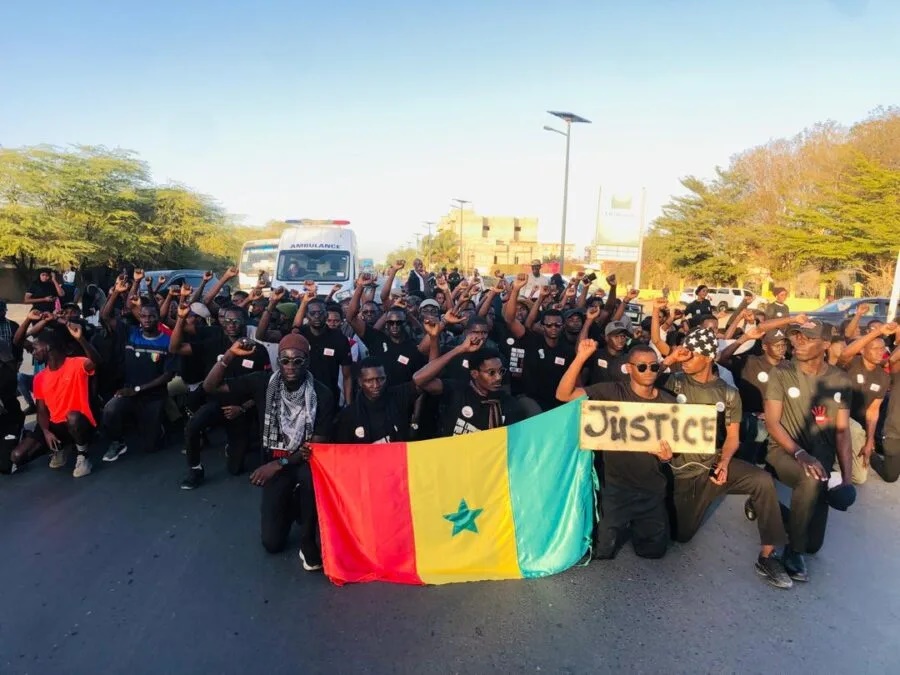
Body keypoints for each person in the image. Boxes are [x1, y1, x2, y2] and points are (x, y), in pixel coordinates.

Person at [662, 328, 793, 589]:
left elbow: (733, 437)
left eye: (691, 355)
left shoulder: (728, 393)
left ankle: (768, 555)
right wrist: (669, 360)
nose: (685, 359)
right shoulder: (673, 381)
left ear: (708, 357)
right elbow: (641, 383)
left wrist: (724, 461)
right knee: (681, 536)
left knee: (762, 480)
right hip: (679, 470)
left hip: (712, 466)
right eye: (683, 355)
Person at [202, 334, 334, 571]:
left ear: (308, 362)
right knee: (272, 543)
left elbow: (313, 447)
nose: (291, 366)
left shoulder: (322, 394)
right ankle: (291, 506)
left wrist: (278, 464)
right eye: (285, 360)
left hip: (305, 462)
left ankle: (307, 537)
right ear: (278, 362)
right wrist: (229, 355)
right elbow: (209, 387)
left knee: (308, 481)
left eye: (298, 361)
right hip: (275, 459)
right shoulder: (262, 383)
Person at [556, 341, 674, 560]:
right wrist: (581, 357)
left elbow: (676, 449)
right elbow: (564, 395)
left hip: (652, 490)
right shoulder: (611, 391)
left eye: (654, 366)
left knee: (654, 552)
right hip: (615, 490)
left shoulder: (669, 402)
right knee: (601, 552)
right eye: (642, 367)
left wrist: (668, 458)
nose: (649, 372)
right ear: (629, 368)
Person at [764, 320, 854, 582]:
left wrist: (847, 479)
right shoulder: (781, 372)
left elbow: (842, 431)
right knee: (810, 479)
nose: (799, 342)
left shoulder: (839, 379)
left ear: (826, 344)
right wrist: (800, 453)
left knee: (814, 544)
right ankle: (792, 551)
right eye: (797, 337)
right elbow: (772, 422)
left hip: (821, 461)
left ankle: (767, 506)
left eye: (808, 338)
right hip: (784, 451)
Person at [170, 303, 271, 489]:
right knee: (193, 427)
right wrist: (181, 318)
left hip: (242, 408)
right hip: (216, 402)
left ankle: (241, 445)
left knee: (235, 468)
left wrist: (242, 408)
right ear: (222, 322)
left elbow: (265, 387)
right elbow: (175, 348)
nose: (231, 324)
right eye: (227, 320)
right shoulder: (213, 343)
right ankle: (195, 470)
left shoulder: (258, 351)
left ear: (244, 322)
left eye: (236, 320)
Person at [9, 323, 101, 477]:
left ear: (48, 347)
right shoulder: (39, 378)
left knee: (73, 417)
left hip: (78, 422)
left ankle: (83, 456)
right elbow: (41, 410)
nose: (33, 353)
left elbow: (97, 362)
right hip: (55, 426)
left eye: (36, 348)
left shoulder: (76, 363)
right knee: (16, 456)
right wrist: (45, 432)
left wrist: (81, 339)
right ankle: (60, 447)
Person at [100, 288, 178, 461]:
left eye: (151, 316)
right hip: (129, 392)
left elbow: (168, 375)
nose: (147, 320)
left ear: (158, 318)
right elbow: (106, 317)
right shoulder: (131, 333)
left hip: (154, 395)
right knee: (110, 410)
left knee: (151, 447)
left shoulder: (168, 342)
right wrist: (115, 293)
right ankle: (117, 442)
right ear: (139, 318)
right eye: (143, 316)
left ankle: (160, 426)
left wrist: (139, 389)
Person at [413, 332, 525, 436]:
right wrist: (459, 349)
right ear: (474, 374)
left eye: (501, 371)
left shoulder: (508, 403)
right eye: (491, 373)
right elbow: (419, 379)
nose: (498, 377)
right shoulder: (456, 390)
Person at [504, 276, 576, 414]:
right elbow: (510, 319)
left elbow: (575, 382)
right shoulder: (532, 340)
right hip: (530, 400)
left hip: (558, 403)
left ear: (563, 326)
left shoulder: (568, 350)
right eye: (549, 325)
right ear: (542, 326)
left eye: (557, 325)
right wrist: (516, 290)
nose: (553, 328)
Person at [835, 322, 895, 484]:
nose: (880, 352)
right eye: (875, 348)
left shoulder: (883, 377)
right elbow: (846, 352)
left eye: (882, 349)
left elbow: (873, 411)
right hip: (834, 418)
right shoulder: (851, 363)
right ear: (862, 350)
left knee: (860, 479)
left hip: (858, 430)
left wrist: (869, 441)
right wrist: (877, 332)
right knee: (853, 429)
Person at [335, 357, 417, 443]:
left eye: (381, 379)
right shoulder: (348, 416)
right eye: (369, 381)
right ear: (360, 382)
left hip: (398, 455)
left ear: (386, 377)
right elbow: (343, 451)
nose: (376, 385)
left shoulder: (398, 396)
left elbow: (423, 383)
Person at [872, 324, 900, 482]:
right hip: (895, 434)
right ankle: (872, 455)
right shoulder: (897, 372)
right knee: (890, 476)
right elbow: (893, 359)